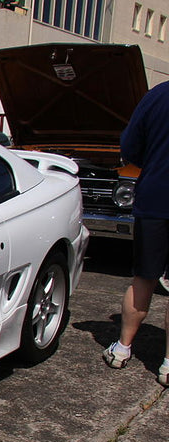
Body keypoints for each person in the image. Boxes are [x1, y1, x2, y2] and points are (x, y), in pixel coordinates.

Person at [103, 80, 169, 386]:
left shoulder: (157, 95)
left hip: (155, 198)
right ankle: (168, 365)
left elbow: (129, 147)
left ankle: (122, 348)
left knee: (144, 277)